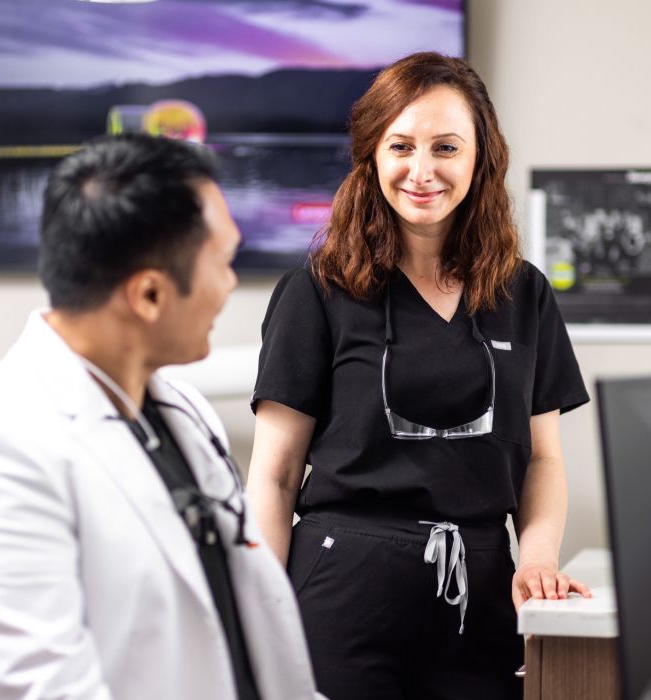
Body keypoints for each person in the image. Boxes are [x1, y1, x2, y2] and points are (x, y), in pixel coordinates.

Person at [0, 134, 323, 700]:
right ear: (148, 295)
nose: (230, 284)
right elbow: (42, 690)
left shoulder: (183, 414)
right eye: (223, 262)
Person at [246, 52, 592, 700]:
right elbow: (274, 473)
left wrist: (539, 555)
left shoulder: (525, 294)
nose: (422, 170)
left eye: (446, 147)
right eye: (400, 145)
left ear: (479, 157)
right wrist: (260, 616)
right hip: (341, 593)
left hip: (483, 596)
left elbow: (542, 460)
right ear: (372, 155)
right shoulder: (316, 292)